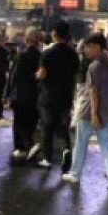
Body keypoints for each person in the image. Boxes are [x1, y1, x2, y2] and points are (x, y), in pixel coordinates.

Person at [61, 34, 108, 191]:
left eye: (89, 46)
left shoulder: (94, 66)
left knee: (80, 144)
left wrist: (94, 114)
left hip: (89, 112)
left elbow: (93, 91)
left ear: (97, 47)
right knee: (106, 145)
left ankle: (75, 174)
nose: (86, 50)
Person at [36, 20, 79, 171]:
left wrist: (37, 76)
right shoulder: (73, 55)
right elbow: (75, 77)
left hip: (48, 95)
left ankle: (47, 159)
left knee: (47, 126)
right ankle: (66, 149)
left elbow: (42, 74)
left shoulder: (47, 53)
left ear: (54, 34)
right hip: (65, 95)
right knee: (63, 126)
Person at [8, 27, 43, 161]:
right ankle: (29, 146)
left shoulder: (21, 55)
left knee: (19, 123)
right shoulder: (41, 56)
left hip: (21, 94)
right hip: (35, 94)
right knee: (30, 122)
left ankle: (23, 147)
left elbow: (14, 76)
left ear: (26, 38)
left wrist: (8, 94)